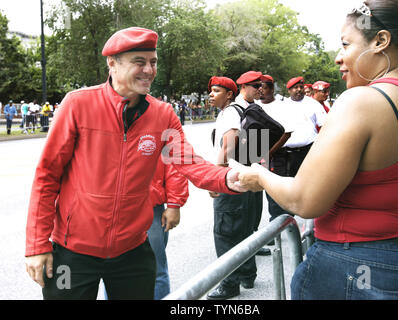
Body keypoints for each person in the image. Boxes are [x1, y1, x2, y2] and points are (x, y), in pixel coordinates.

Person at [24, 27, 244, 300]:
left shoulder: (163, 114)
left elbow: (189, 163)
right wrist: (37, 245)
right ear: (112, 63)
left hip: (132, 253)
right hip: (72, 253)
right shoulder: (77, 105)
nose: (149, 70)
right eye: (139, 62)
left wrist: (229, 179)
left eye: (153, 62)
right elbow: (47, 176)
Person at [234, 0, 398, 300]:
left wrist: (259, 175)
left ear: (380, 41)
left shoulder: (362, 101)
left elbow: (305, 200)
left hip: (357, 267)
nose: (339, 58)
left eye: (345, 44)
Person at [205, 74, 261, 300]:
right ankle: (248, 275)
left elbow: (229, 142)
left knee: (225, 232)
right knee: (244, 229)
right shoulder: (243, 109)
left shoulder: (230, 112)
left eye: (216, 91)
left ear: (229, 94)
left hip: (230, 180)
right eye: (211, 90)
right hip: (244, 177)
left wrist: (215, 176)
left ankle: (229, 284)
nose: (211, 94)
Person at [147, 157, 189, 300]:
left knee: (155, 271)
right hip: (109, 209)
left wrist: (174, 204)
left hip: (150, 208)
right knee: (113, 272)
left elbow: (174, 159)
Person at [258, 74, 296, 221]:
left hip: (276, 156)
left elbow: (287, 133)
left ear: (272, 89)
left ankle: (282, 227)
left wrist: (269, 153)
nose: (260, 91)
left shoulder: (282, 107)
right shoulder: (254, 106)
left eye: (264, 88)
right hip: (257, 155)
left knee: (276, 195)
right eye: (258, 88)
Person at [284, 76, 327, 177]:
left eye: (301, 87)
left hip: (309, 151)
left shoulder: (313, 104)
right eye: (295, 87)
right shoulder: (283, 105)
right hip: (289, 154)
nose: (299, 90)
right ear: (289, 90)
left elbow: (325, 126)